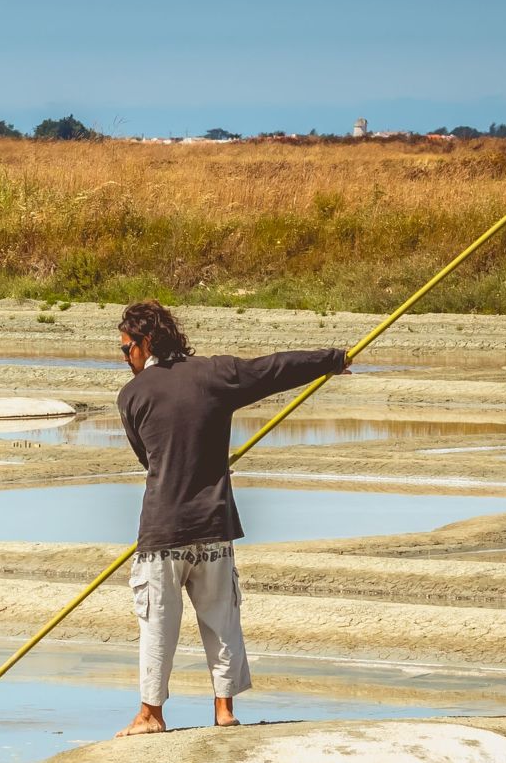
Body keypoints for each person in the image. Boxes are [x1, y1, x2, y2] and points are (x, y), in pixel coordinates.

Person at [112, 300, 346, 736]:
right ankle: (223, 709)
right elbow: (273, 369)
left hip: (163, 529)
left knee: (156, 625)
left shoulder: (132, 395)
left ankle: (151, 715)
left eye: (127, 350)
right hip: (214, 527)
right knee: (222, 620)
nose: (125, 359)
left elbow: (150, 459)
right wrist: (331, 360)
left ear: (146, 343)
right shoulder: (215, 374)